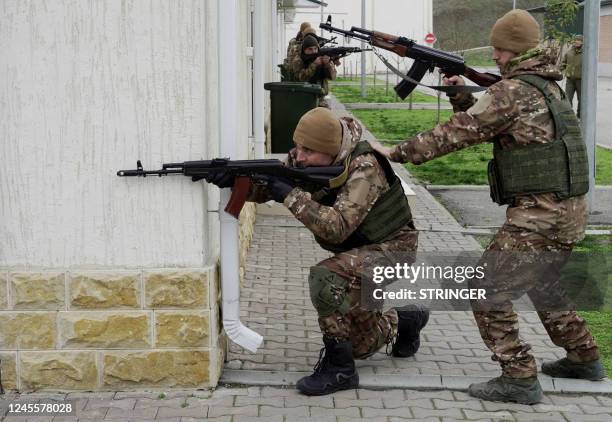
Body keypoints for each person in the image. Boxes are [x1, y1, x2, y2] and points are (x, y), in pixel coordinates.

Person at [371, 9, 605, 404]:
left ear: (516, 51)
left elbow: (456, 134)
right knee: (544, 284)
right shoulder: (549, 88)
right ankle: (583, 357)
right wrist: (463, 95)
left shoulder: (511, 91)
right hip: (567, 214)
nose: (494, 57)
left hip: (538, 216)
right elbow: (494, 125)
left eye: (500, 50)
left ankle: (519, 377)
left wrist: (395, 151)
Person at [206, 107, 429, 396]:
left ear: (331, 149)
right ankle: (406, 319)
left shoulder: (365, 168)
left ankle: (339, 370)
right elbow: (273, 185)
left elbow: (336, 228)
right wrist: (238, 182)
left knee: (326, 275)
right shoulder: (308, 158)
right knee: (361, 346)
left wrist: (288, 194)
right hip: (358, 250)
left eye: (308, 150)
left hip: (394, 252)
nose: (298, 156)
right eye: (297, 147)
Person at [288, 29, 338, 108]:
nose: (313, 52)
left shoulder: (322, 57)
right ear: (304, 50)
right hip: (303, 98)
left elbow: (333, 76)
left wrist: (327, 65)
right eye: (310, 49)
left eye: (315, 49)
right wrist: (314, 65)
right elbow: (300, 78)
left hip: (320, 98)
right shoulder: (298, 60)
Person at [561, 35, 583, 118]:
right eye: (575, 40)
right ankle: (570, 117)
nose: (576, 41)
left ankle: (580, 116)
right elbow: (563, 63)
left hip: (581, 81)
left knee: (581, 100)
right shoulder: (569, 52)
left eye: (579, 40)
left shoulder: (585, 53)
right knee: (567, 98)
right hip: (570, 80)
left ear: (582, 42)